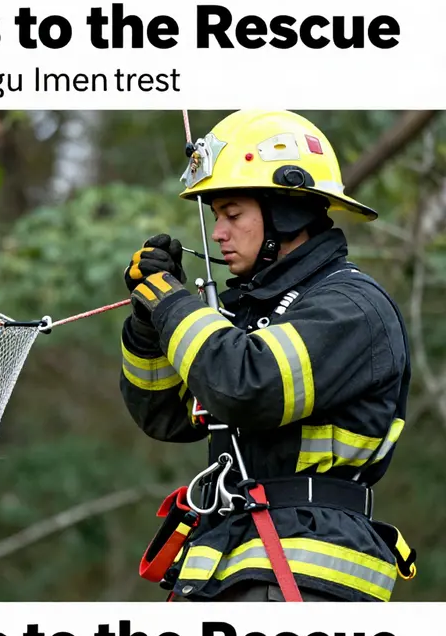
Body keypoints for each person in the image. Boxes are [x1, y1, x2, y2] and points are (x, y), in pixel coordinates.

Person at [120, 110, 416, 602]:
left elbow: (247, 386)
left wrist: (172, 304)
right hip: (231, 556)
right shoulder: (249, 314)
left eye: (232, 214)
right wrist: (148, 324)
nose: (217, 233)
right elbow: (165, 416)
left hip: (308, 565)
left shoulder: (351, 308)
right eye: (216, 217)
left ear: (289, 211)